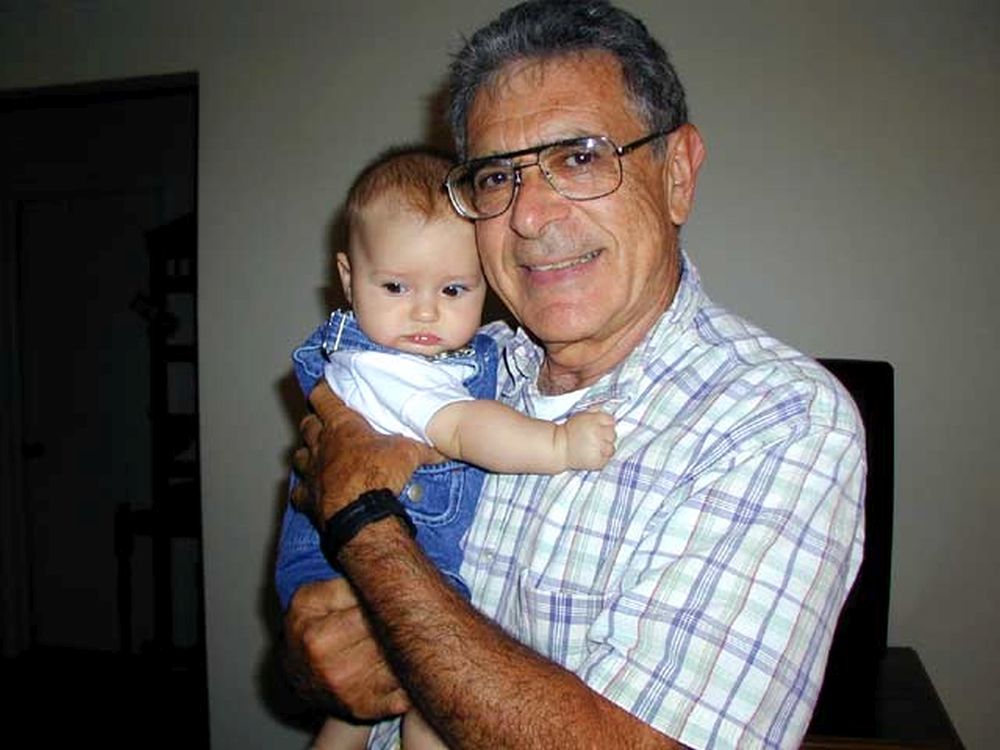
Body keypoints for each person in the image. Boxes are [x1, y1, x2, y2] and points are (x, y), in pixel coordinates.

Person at [277, 2, 867, 748]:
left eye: (580, 157)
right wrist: (315, 664)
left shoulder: (778, 420)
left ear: (677, 174)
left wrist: (365, 527)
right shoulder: (455, 362)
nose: (530, 215)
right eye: (497, 175)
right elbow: (325, 641)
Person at [284, 146, 615, 749]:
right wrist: (559, 444)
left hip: (341, 567)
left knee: (357, 711)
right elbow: (464, 428)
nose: (425, 311)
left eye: (455, 289)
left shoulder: (439, 353)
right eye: (395, 286)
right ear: (348, 279)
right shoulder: (385, 368)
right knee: (440, 702)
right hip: (372, 566)